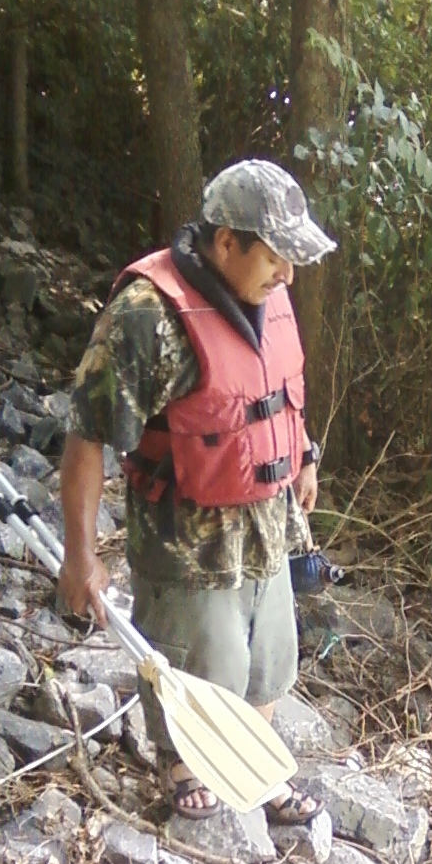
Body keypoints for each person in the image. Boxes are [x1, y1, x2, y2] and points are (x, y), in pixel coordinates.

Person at [59, 159, 334, 820]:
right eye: (274, 257)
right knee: (202, 655)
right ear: (225, 241)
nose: (287, 275)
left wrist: (305, 458)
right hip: (187, 539)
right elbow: (87, 436)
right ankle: (186, 764)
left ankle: (256, 764)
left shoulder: (268, 293)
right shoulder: (146, 316)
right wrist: (80, 556)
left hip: (267, 525)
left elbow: (275, 389)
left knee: (268, 657)